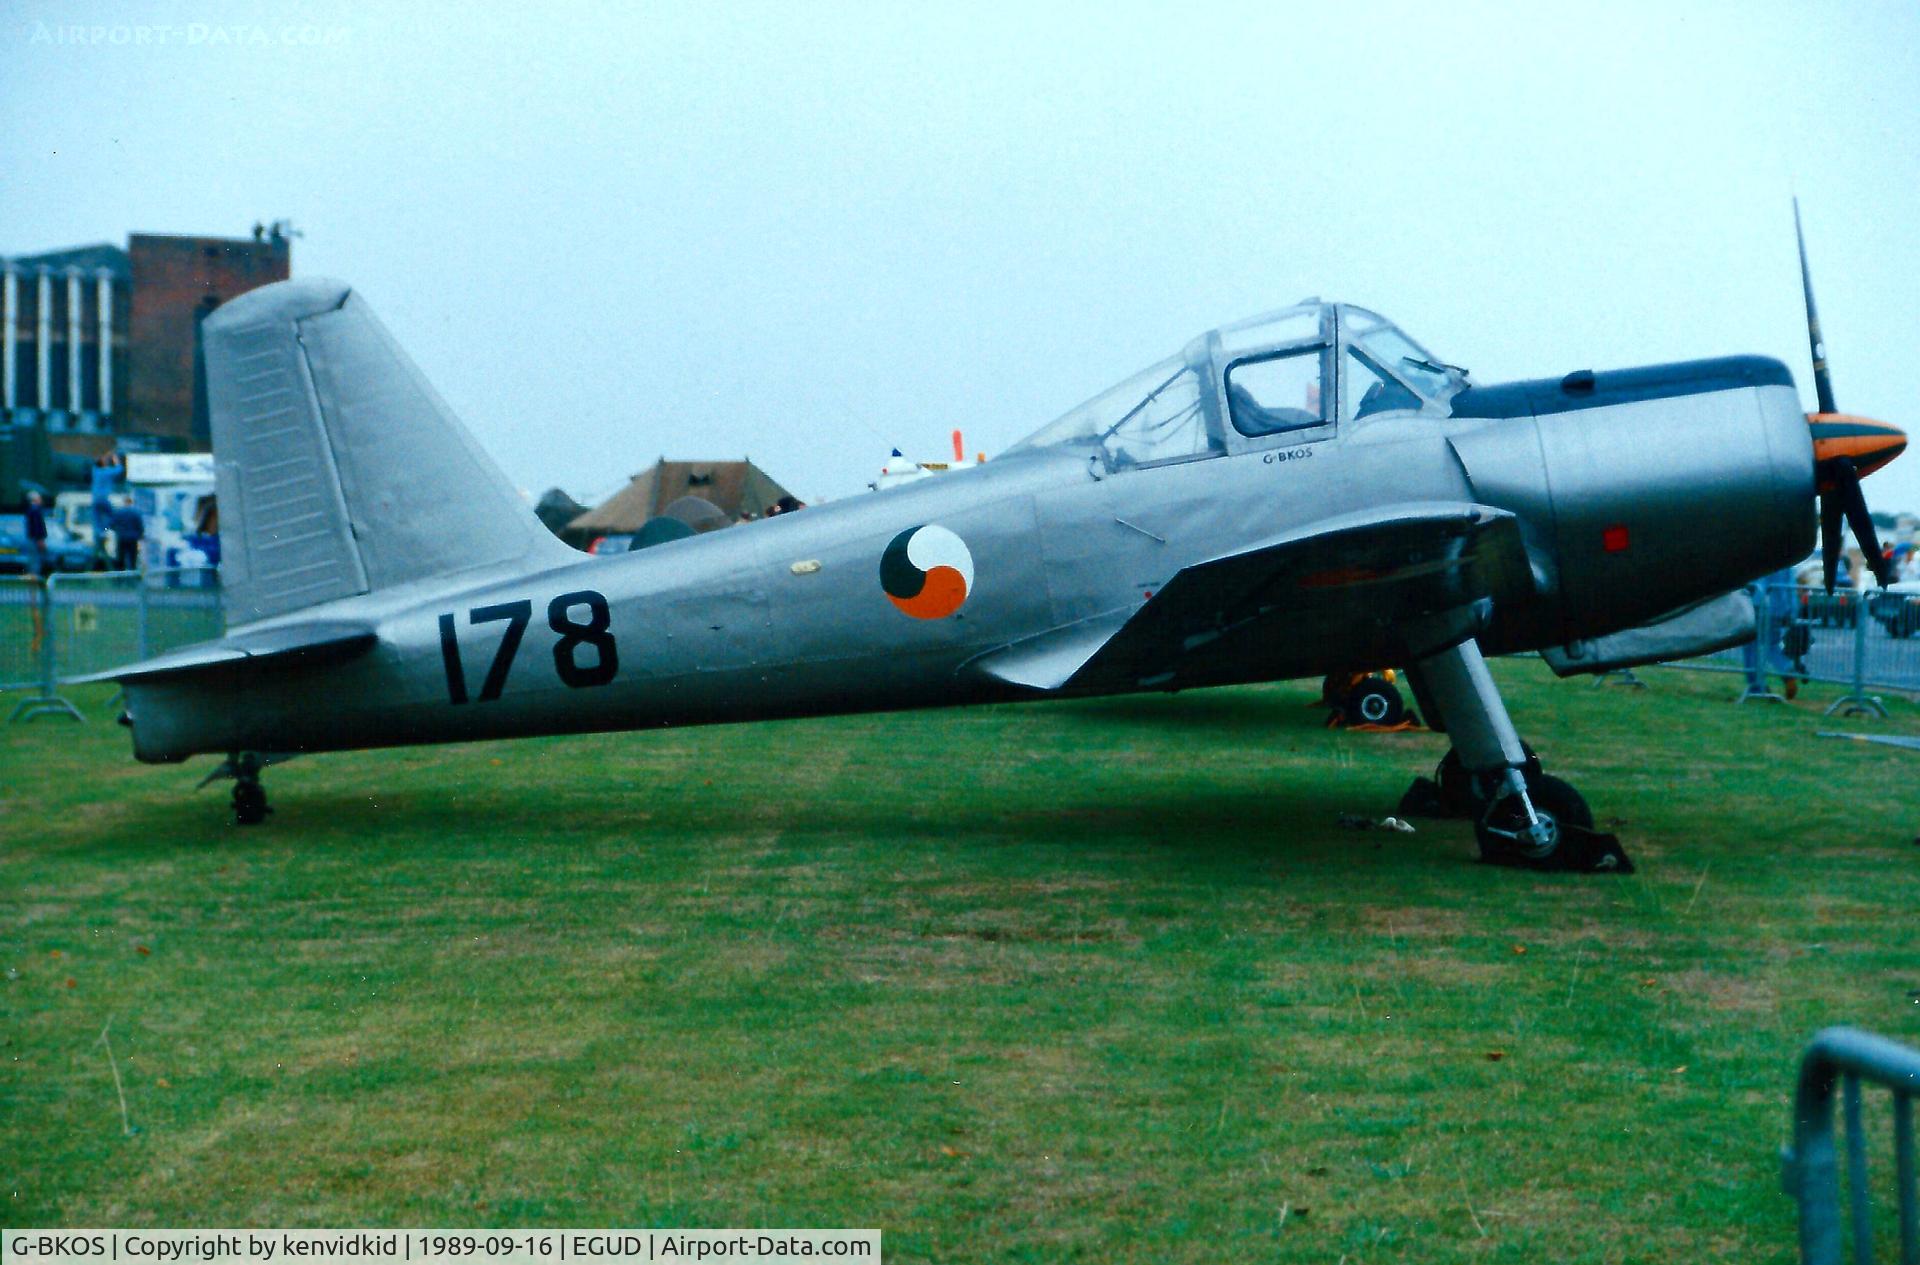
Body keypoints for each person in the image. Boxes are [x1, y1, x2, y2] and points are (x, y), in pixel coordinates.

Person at [1742, 565, 1801, 700]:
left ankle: (1756, 685)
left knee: (1751, 645)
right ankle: (1786, 669)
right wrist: (1792, 611)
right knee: (1772, 644)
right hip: (1779, 608)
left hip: (1758, 605)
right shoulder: (1787, 557)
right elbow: (1791, 584)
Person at [89, 450, 124, 563]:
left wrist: (107, 455)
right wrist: (115, 459)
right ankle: (105, 530)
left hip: (95, 500)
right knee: (112, 517)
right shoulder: (107, 472)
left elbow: (100, 461)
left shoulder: (95, 471)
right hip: (104, 500)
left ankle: (99, 533)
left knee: (96, 519)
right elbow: (119, 469)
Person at [108, 498, 145, 572]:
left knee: (121, 558)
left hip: (121, 538)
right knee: (133, 558)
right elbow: (140, 526)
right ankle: (133, 576)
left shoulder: (118, 512)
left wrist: (117, 530)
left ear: (124, 502)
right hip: (133, 539)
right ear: (131, 503)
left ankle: (121, 578)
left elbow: (111, 525)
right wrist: (140, 536)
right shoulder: (136, 513)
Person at [22, 490, 48, 579]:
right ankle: (34, 580)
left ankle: (33, 579)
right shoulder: (36, 511)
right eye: (39, 498)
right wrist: (40, 540)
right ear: (35, 499)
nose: (41, 500)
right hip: (35, 540)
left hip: (31, 539)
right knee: (35, 561)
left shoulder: (30, 510)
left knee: (33, 560)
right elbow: (37, 526)